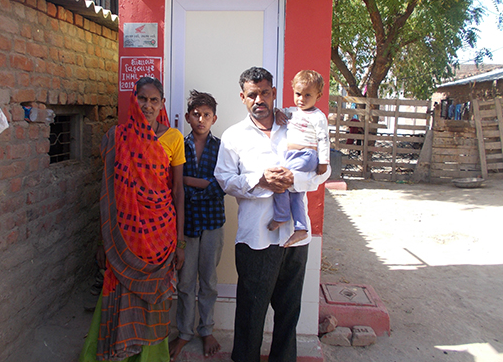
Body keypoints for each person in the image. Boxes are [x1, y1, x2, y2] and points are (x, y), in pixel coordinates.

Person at [214, 67, 330, 362]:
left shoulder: (296, 125)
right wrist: (260, 181)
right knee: (251, 312)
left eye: (265, 92)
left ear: (274, 94)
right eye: (252, 94)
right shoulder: (233, 136)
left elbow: (322, 170)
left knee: (289, 312)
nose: (259, 99)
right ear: (242, 97)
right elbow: (224, 180)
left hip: (294, 237)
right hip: (256, 237)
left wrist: (295, 181)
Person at [79, 77, 186, 362]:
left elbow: (177, 192)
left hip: (160, 235)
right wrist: (106, 241)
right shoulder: (116, 137)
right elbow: (109, 195)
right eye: (142, 99)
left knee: (155, 298)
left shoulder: (174, 138)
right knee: (120, 292)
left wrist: (180, 244)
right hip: (124, 235)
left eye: (154, 100)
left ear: (162, 103)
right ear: (133, 100)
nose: (148, 105)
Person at [169, 90, 226, 361]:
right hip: (187, 224)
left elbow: (223, 185)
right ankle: (184, 332)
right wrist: (201, 184)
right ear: (189, 117)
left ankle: (206, 330)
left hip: (213, 223)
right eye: (196, 114)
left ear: (214, 118)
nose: (201, 119)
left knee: (209, 282)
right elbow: (172, 184)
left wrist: (190, 182)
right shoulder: (180, 144)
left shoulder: (223, 147)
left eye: (206, 115)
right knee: (185, 282)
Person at [269, 70, 330, 247]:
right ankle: (301, 229)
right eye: (298, 94)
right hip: (293, 155)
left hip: (306, 156)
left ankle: (281, 216)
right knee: (296, 192)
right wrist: (278, 113)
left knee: (280, 178)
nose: (301, 99)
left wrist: (323, 162)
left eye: (307, 95)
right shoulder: (293, 112)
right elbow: (278, 112)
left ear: (318, 96)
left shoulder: (318, 117)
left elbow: (323, 139)